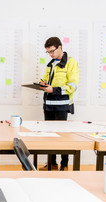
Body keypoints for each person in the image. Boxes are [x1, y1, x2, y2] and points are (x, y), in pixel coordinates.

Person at [38, 37, 79, 171]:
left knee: (62, 136)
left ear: (60, 47)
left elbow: (72, 86)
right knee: (49, 135)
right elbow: (46, 79)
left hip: (62, 105)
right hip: (48, 104)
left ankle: (64, 165)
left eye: (52, 51)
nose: (51, 54)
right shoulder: (51, 64)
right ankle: (52, 163)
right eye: (48, 52)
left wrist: (53, 89)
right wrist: (42, 84)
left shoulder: (71, 63)